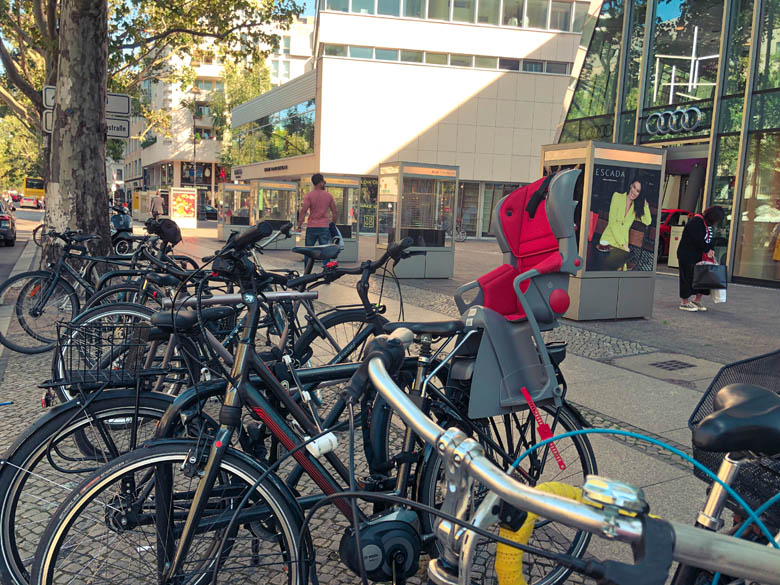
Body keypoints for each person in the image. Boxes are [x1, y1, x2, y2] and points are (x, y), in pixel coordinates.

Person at [677, 205, 725, 312]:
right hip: (688, 254)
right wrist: (707, 249)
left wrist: (711, 249)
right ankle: (684, 301)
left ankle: (696, 299)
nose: (716, 222)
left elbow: (710, 239)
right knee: (687, 276)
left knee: (704, 277)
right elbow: (697, 239)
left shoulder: (708, 224)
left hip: (700, 254)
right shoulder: (696, 221)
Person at [600, 178, 652, 253]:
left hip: (622, 247)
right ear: (630, 186)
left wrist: (645, 205)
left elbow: (648, 221)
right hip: (609, 241)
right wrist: (623, 245)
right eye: (634, 187)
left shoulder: (635, 208)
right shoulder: (617, 197)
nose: (634, 192)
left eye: (638, 191)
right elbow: (612, 223)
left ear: (639, 194)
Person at [298, 173, 338, 265]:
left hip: (311, 227)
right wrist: (333, 225)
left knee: (308, 251)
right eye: (323, 182)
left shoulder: (309, 196)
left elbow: (303, 211)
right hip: (324, 227)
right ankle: (326, 271)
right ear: (320, 183)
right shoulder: (328, 196)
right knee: (325, 252)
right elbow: (335, 212)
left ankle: (306, 273)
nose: (324, 183)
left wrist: (299, 225)